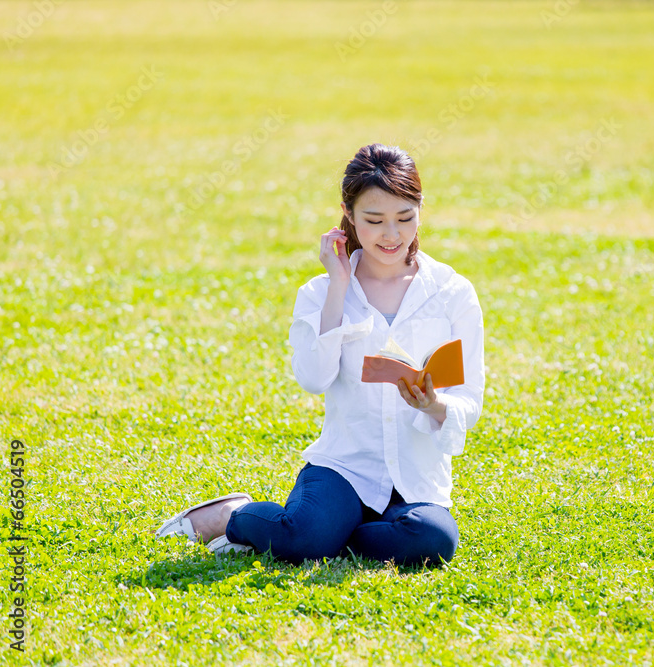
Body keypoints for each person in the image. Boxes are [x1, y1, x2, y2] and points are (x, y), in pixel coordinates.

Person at [156, 143, 485, 567]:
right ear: (348, 214)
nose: (392, 235)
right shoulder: (319, 291)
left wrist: (435, 404)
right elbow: (313, 378)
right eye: (375, 220)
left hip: (414, 479)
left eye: (405, 218)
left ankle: (330, 536)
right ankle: (229, 515)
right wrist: (338, 286)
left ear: (420, 210)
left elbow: (470, 399)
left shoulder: (451, 292)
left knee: (431, 540)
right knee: (304, 539)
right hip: (343, 468)